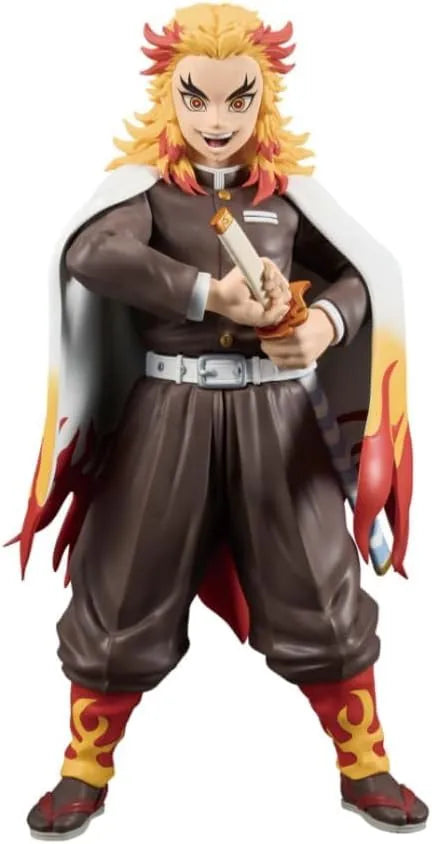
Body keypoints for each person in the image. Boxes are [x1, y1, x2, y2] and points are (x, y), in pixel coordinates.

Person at [12, 3, 427, 838]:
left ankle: (364, 761)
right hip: (170, 413)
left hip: (280, 415)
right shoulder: (149, 197)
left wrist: (323, 325)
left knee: (318, 580)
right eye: (196, 98)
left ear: (263, 99)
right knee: (124, 580)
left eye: (238, 99)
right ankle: (85, 766)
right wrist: (206, 293)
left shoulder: (288, 201)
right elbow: (92, 253)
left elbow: (364, 276)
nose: (216, 119)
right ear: (168, 97)